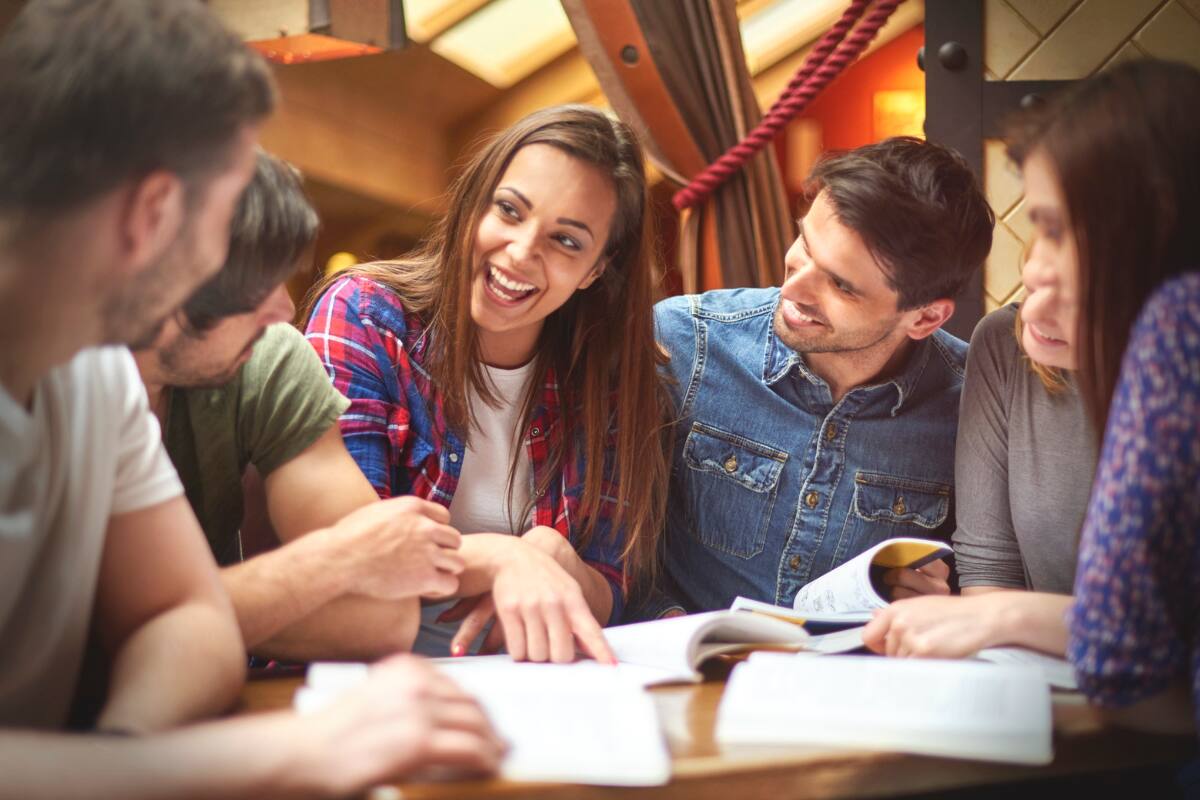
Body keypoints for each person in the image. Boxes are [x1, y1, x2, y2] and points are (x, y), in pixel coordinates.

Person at [0, 2, 500, 797]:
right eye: (225, 209)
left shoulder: (98, 374)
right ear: (154, 214)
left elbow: (181, 617)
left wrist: (122, 755)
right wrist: (295, 751)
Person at [866, 59, 1200, 737]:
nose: (1036, 270)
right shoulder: (1008, 343)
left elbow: (1122, 654)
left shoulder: (1179, 325)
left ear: (1154, 221)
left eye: (1054, 228)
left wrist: (1005, 615)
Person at [304, 104, 670, 662]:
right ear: (477, 202)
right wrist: (502, 557)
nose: (521, 253)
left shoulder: (608, 378)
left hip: (531, 678)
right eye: (509, 210)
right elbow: (347, 553)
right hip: (366, 671)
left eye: (567, 241)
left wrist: (560, 561)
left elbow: (611, 589)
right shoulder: (365, 317)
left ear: (596, 269)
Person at [641, 136, 995, 617]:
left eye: (841, 285)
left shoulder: (971, 406)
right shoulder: (683, 343)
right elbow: (607, 544)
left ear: (925, 317)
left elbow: (978, 583)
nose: (795, 287)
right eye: (805, 246)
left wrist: (930, 603)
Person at [133, 149, 464, 661]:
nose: (286, 310)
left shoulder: (266, 355)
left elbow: (382, 614)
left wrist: (155, 621)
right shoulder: (47, 379)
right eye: (253, 281)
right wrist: (336, 560)